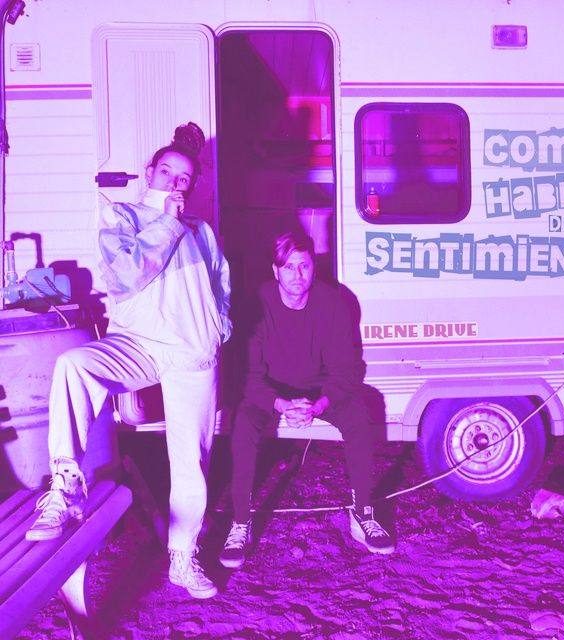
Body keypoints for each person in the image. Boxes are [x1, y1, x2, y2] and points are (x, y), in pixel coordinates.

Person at [25, 123, 231, 600]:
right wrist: (167, 222)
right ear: (149, 172)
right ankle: (66, 483)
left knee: (191, 460)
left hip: (191, 351)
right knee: (74, 364)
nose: (175, 183)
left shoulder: (202, 231)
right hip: (137, 343)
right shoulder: (122, 216)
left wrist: (218, 328)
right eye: (167, 172)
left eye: (184, 178)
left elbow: (221, 283)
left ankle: (183, 557)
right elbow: (125, 276)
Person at [219, 231, 394, 569]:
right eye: (288, 267)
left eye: (304, 266)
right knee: (244, 423)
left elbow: (346, 369)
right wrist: (281, 405)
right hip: (272, 391)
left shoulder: (334, 304)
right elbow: (249, 377)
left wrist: (320, 405)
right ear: (275, 271)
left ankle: (362, 512)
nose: (297, 275)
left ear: (314, 267)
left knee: (358, 416)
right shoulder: (257, 305)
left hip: (319, 391)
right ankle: (240, 521)